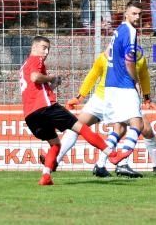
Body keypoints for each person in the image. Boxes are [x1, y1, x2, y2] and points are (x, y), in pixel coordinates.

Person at [19, 36, 122, 185]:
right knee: (81, 127)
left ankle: (46, 176)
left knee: (55, 144)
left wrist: (51, 84)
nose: (46, 51)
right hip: (46, 107)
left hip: (30, 115)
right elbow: (35, 78)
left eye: (48, 48)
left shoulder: (23, 67)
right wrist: (50, 77)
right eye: (43, 47)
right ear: (34, 47)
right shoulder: (36, 60)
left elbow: (35, 87)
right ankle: (112, 154)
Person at [53, 54, 156, 178]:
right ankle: (55, 161)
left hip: (122, 99)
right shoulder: (104, 57)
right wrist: (80, 97)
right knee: (75, 127)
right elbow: (92, 75)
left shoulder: (139, 58)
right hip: (102, 100)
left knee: (141, 129)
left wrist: (147, 98)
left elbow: (144, 77)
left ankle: (155, 165)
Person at [102, 0, 145, 163]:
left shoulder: (118, 30)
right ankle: (123, 159)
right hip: (124, 84)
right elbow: (129, 61)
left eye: (140, 14)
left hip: (111, 84)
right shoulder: (130, 31)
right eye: (134, 13)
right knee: (137, 123)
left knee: (119, 127)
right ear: (126, 14)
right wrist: (136, 81)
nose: (137, 17)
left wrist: (116, 67)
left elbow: (107, 53)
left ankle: (100, 164)